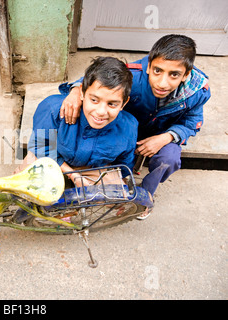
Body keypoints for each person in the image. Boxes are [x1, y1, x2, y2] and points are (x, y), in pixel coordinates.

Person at [59, 34, 211, 219]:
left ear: (186, 74)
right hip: (123, 130)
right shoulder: (133, 75)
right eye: (157, 71)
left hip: (160, 135)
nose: (162, 83)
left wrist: (166, 137)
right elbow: (96, 80)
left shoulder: (197, 92)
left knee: (169, 158)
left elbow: (191, 123)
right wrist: (76, 91)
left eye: (174, 75)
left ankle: (144, 196)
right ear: (148, 65)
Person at [13, 56, 138, 223]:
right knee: (24, 187)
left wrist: (119, 182)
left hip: (92, 168)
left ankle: (73, 201)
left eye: (112, 104)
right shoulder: (54, 110)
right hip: (51, 159)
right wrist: (74, 177)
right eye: (94, 100)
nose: (101, 111)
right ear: (82, 93)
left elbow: (124, 161)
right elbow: (41, 147)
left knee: (118, 195)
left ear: (124, 103)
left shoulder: (128, 127)